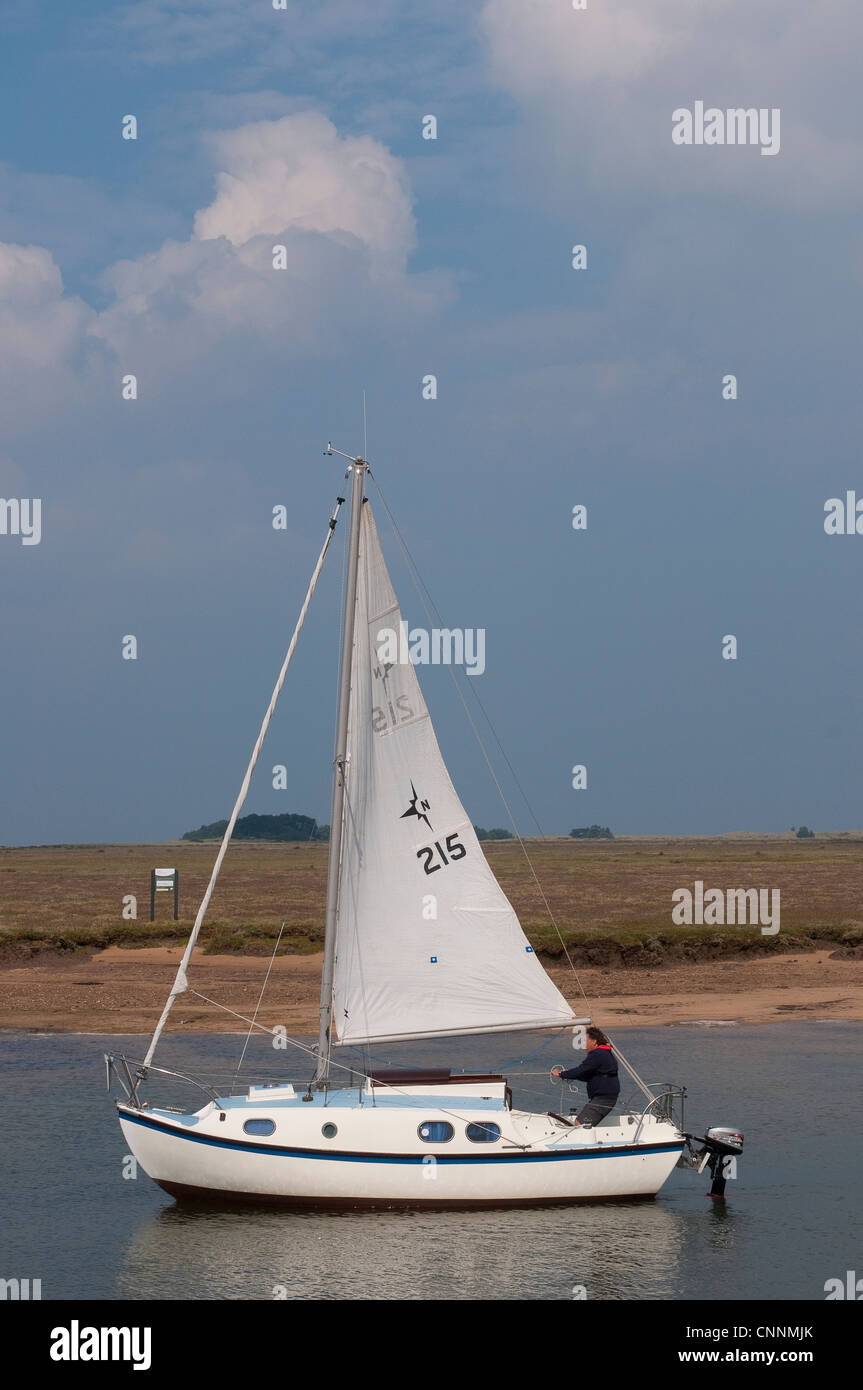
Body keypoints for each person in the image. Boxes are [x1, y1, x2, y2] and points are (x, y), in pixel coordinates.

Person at [551, 1027, 620, 1127]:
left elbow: (581, 1070)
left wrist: (561, 1074)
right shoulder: (603, 1053)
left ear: (594, 1042)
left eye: (585, 1041)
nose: (583, 1044)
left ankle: (582, 1141)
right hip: (606, 1096)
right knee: (582, 1122)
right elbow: (588, 1075)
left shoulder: (598, 1054)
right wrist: (569, 1075)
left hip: (604, 1098)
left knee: (580, 1123)